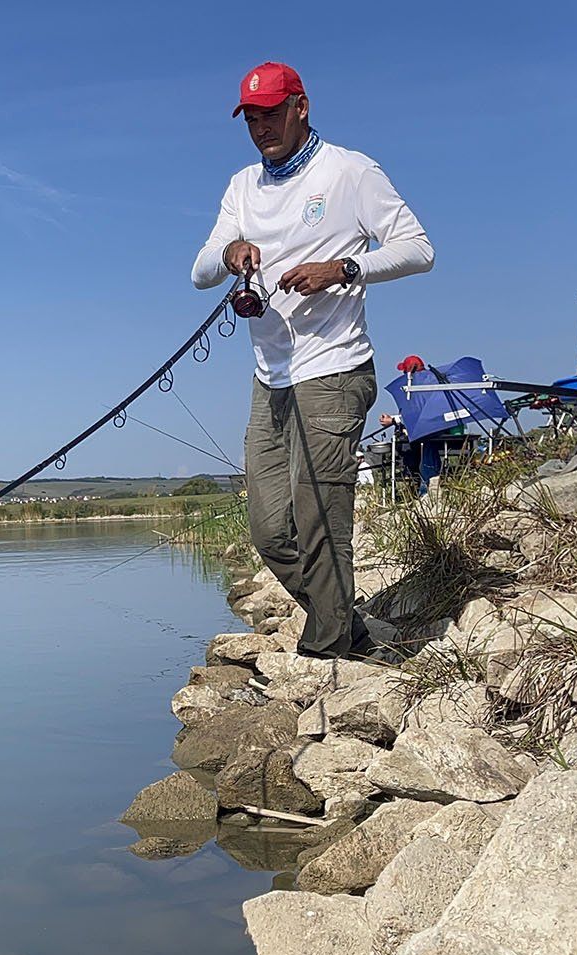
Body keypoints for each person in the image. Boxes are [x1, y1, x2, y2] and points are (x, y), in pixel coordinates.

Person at [192, 61, 434, 659]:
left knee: (321, 516)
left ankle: (329, 654)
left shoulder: (350, 171)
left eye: (270, 113)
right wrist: (230, 251)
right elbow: (199, 273)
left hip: (335, 368)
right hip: (268, 379)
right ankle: (346, 624)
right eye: (250, 117)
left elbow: (419, 249)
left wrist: (344, 268)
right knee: (270, 531)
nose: (260, 128)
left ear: (301, 106)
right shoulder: (242, 186)